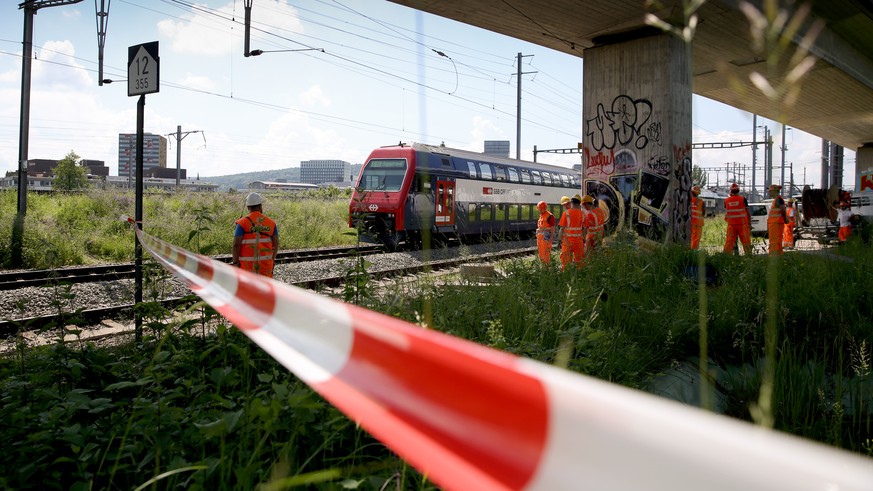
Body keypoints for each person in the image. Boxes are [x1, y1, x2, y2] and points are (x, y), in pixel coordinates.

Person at [232, 192, 279, 277]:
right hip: (266, 268)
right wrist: (272, 259)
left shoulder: (242, 223)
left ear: (248, 207)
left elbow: (236, 245)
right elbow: (276, 244)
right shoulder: (271, 223)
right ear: (260, 206)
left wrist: (235, 262)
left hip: (247, 269)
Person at [723, 183, 752, 255]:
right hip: (742, 224)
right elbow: (748, 213)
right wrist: (749, 223)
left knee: (729, 242)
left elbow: (728, 212)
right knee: (746, 242)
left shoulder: (726, 201)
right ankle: (749, 256)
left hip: (731, 225)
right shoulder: (743, 199)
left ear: (731, 191)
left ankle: (725, 256)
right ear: (738, 191)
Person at [556, 195, 584, 270]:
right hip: (578, 241)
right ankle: (580, 274)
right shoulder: (582, 214)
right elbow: (584, 228)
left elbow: (562, 229)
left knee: (566, 261)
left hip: (567, 241)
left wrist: (559, 240)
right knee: (580, 260)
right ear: (579, 204)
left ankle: (566, 275)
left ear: (571, 203)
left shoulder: (566, 213)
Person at [767, 184, 787, 255]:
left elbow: (783, 210)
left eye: (770, 191)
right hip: (775, 224)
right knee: (776, 242)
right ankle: (778, 255)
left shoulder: (778, 199)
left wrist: (785, 219)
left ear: (774, 191)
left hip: (776, 224)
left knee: (774, 242)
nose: (769, 193)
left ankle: (774, 256)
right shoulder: (776, 200)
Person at [535, 201, 556, 265]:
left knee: (546, 254)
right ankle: (543, 267)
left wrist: (551, 239)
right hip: (540, 238)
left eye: (541, 209)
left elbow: (552, 229)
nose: (540, 210)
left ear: (545, 208)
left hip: (546, 238)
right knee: (541, 254)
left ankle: (547, 268)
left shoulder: (550, 216)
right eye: (539, 209)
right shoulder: (541, 215)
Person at [690, 185, 705, 249]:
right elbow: (703, 212)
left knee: (690, 237)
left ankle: (689, 250)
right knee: (696, 239)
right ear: (699, 193)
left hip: (690, 222)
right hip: (698, 223)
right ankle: (694, 252)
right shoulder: (701, 201)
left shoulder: (688, 200)